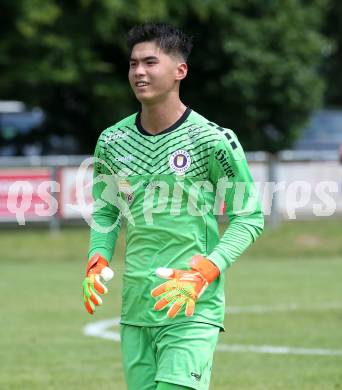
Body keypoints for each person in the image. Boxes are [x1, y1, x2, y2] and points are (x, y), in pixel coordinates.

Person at [82, 22, 264, 390]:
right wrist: (97, 255)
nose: (139, 72)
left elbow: (249, 216)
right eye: (133, 64)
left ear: (180, 70)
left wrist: (205, 272)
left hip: (191, 306)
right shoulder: (112, 141)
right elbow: (105, 209)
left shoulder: (212, 140)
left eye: (150, 62)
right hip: (136, 310)